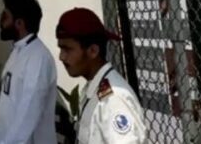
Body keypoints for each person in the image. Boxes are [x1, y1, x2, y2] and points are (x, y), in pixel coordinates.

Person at [56, 8, 147, 144]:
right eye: (60, 48)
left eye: (67, 49)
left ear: (93, 51)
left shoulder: (113, 99)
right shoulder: (95, 88)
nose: (61, 57)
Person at [0, 0, 57, 144]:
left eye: (5, 16)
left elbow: (28, 112)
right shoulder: (18, 50)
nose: (1, 21)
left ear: (19, 23)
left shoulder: (38, 58)